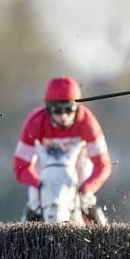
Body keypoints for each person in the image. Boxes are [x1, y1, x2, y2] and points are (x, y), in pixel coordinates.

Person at [13, 76, 111, 224]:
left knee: (87, 200)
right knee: (34, 202)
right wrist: (39, 184)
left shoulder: (88, 123)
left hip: (78, 171)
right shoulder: (35, 122)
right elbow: (20, 167)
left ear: (77, 107)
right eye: (57, 110)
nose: (64, 116)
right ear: (48, 109)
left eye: (69, 109)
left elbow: (103, 166)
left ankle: (103, 231)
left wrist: (86, 188)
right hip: (45, 173)